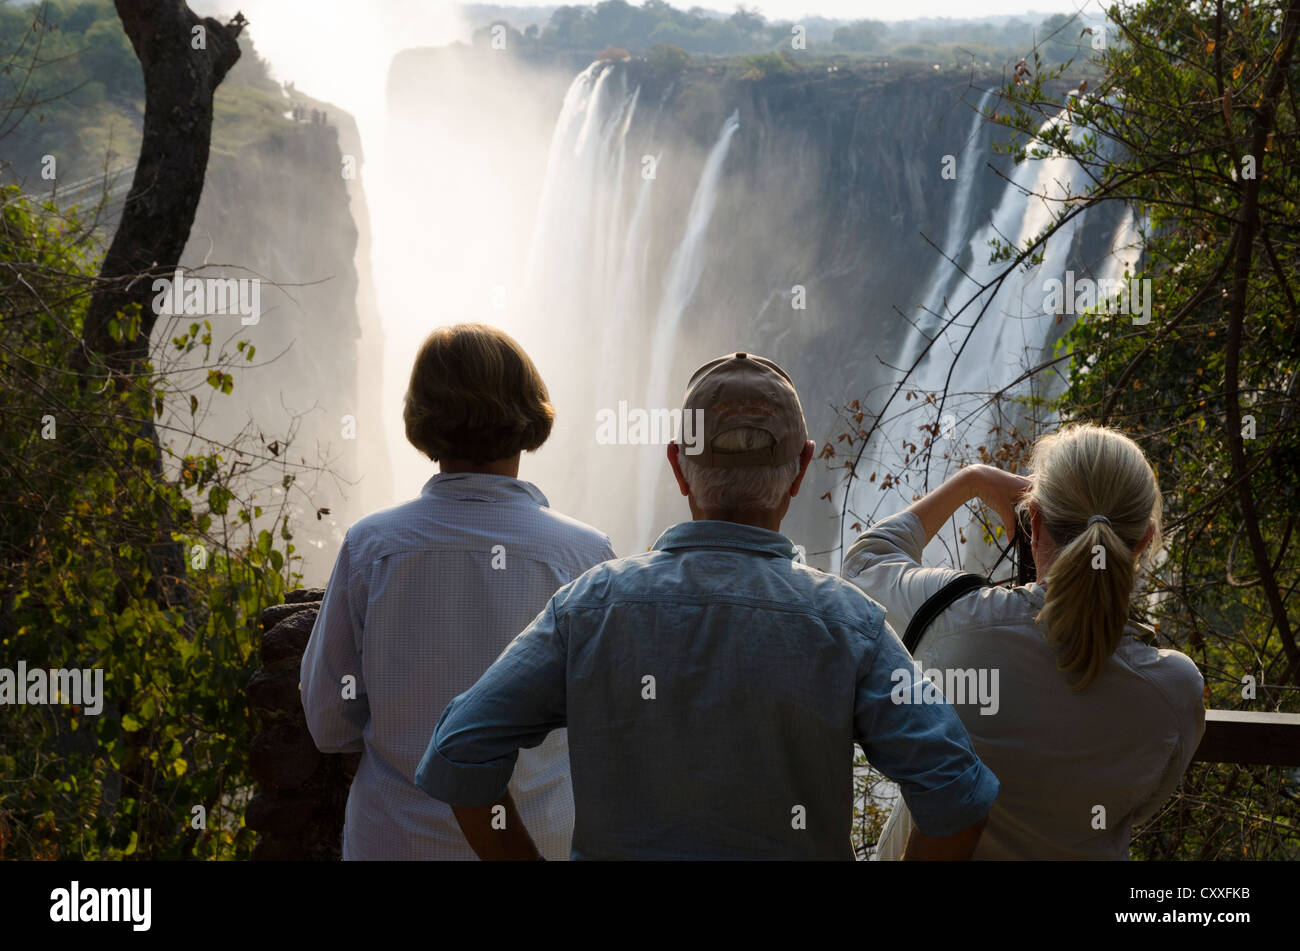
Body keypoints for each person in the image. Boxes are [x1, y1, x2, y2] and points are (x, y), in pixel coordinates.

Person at [415, 351, 999, 860]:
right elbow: (958, 793)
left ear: (677, 465)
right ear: (800, 469)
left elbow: (459, 751)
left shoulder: (590, 607)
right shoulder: (851, 624)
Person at [300, 323, 614, 860]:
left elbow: (330, 723)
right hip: (541, 842)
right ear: (530, 414)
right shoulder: (584, 557)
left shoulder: (371, 548)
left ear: (423, 419)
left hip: (395, 843)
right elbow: (611, 728)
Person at [842, 423, 1205, 860]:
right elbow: (1140, 807)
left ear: (1032, 520)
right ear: (1144, 541)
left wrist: (973, 480)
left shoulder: (952, 615)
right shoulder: (1176, 691)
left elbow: (865, 562)